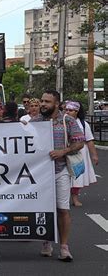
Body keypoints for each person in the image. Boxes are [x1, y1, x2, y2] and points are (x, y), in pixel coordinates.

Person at [31, 90, 85, 262]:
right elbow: (13, 136)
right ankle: (46, 242)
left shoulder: (67, 121)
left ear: (56, 104)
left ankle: (64, 246)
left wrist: (64, 151)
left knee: (62, 209)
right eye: (41, 101)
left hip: (60, 170)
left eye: (47, 101)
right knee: (43, 210)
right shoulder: (35, 121)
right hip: (39, 174)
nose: (42, 104)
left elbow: (80, 141)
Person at [64, 101, 98, 207]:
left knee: (77, 177)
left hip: (79, 153)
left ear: (76, 112)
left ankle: (75, 198)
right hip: (64, 152)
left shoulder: (83, 124)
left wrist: (94, 155)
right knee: (63, 177)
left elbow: (89, 140)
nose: (68, 112)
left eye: (70, 110)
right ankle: (63, 199)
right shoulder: (61, 122)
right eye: (66, 110)